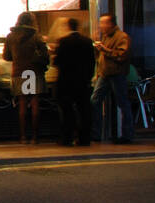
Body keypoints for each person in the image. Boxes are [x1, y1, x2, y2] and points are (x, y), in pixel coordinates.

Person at [3, 11, 48, 144]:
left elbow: (6, 56)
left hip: (19, 72)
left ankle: (22, 136)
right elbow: (45, 56)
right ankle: (35, 137)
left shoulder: (11, 36)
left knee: (22, 104)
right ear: (32, 21)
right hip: (34, 72)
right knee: (35, 104)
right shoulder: (36, 36)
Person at [90, 13, 134, 143]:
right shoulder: (105, 36)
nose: (101, 26)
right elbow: (101, 57)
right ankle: (96, 133)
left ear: (111, 24)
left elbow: (122, 55)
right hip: (104, 74)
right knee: (94, 101)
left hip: (117, 74)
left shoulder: (122, 37)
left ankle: (127, 135)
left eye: (104, 23)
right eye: (100, 23)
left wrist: (104, 49)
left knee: (123, 103)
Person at [53, 17, 94, 147]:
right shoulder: (87, 42)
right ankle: (84, 139)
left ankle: (67, 138)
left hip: (66, 81)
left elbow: (57, 62)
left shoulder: (63, 42)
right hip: (82, 81)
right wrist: (88, 78)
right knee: (84, 110)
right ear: (78, 27)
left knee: (67, 111)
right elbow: (91, 62)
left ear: (68, 27)